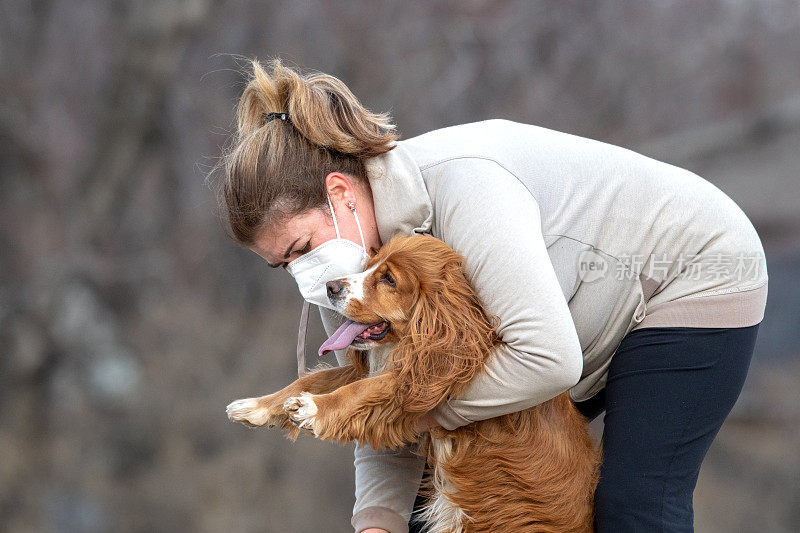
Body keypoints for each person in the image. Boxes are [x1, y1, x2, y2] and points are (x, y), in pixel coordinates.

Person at [212, 57, 768, 533]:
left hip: (691, 273)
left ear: (340, 193)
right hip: (569, 325)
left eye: (302, 247)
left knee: (634, 505)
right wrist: (377, 520)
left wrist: (404, 409)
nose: (304, 274)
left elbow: (544, 361)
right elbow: (385, 388)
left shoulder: (466, 191)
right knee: (446, 496)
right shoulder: (359, 264)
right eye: (284, 265)